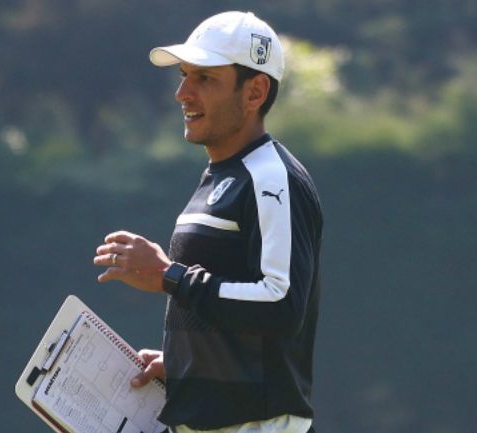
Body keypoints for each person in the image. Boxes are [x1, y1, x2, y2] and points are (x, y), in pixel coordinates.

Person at [93, 11, 323, 433]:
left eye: (204, 79)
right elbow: (234, 309)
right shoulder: (221, 176)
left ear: (255, 92)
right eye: (184, 76)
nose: (183, 93)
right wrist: (183, 366)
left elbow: (280, 304)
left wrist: (170, 276)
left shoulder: (271, 177)